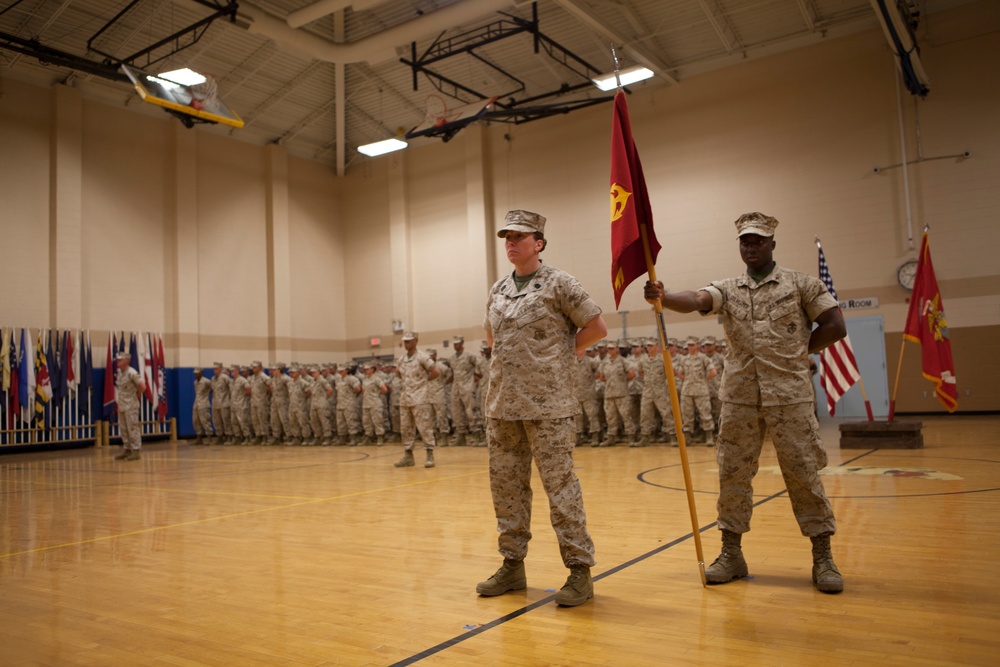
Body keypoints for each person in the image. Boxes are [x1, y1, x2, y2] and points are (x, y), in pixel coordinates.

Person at [644, 211, 847, 593]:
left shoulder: (800, 284)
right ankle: (731, 554)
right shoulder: (729, 288)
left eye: (757, 241)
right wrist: (665, 296)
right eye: (744, 241)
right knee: (733, 476)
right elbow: (698, 299)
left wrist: (796, 354)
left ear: (772, 243)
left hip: (789, 398)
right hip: (740, 399)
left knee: (803, 475)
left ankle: (823, 558)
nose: (750, 246)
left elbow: (835, 325)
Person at [478, 209, 608, 607]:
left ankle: (579, 571)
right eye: (507, 237)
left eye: (519, 236)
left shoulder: (559, 283)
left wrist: (559, 357)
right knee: (507, 489)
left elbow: (596, 327)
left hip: (549, 406)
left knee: (560, 488)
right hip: (502, 405)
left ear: (539, 242)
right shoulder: (499, 289)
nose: (511, 243)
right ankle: (512, 565)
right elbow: (490, 334)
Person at [394, 331, 439, 467]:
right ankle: (408, 456)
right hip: (405, 398)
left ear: (415, 341)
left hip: (420, 398)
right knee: (406, 428)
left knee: (424, 426)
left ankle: (429, 455)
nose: (406, 343)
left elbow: (436, 371)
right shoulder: (401, 359)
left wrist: (422, 383)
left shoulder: (422, 357)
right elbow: (398, 373)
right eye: (405, 341)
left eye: (409, 341)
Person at [676, 337, 717, 446]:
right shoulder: (684, 359)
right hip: (687, 391)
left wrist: (703, 380)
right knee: (686, 415)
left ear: (697, 345)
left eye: (692, 345)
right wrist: (687, 380)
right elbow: (679, 373)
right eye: (688, 345)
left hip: (701, 391)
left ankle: (709, 437)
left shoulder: (704, 358)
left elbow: (713, 372)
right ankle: (687, 438)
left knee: (705, 414)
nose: (690, 347)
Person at [114, 351, 146, 461]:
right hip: (122, 405)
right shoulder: (120, 373)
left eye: (120, 360)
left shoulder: (132, 372)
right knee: (123, 429)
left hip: (131, 406)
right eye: (117, 359)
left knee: (132, 428)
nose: (118, 361)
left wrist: (137, 395)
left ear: (127, 361)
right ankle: (127, 450)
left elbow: (142, 386)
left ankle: (136, 451)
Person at [210, 361, 231, 445]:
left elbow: (231, 388)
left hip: (224, 403)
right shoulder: (213, 379)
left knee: (226, 420)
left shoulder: (225, 377)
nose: (215, 370)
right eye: (214, 368)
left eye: (217, 368)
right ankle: (219, 436)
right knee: (216, 421)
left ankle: (229, 436)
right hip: (215, 403)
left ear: (221, 369)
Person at [192, 368, 213, 445]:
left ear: (201, 373)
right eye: (195, 373)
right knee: (195, 421)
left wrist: (206, 394)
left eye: (197, 373)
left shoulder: (206, 381)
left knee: (205, 421)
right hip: (196, 404)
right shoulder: (195, 382)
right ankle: (199, 438)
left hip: (204, 404)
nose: (195, 375)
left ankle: (209, 438)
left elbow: (213, 389)